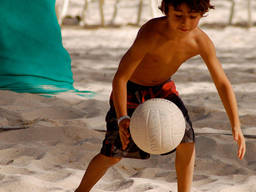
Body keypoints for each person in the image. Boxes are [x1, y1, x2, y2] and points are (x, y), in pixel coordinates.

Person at [75, 0, 246, 191]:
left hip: (162, 89)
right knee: (113, 154)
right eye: (178, 16)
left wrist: (236, 125)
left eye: (193, 17)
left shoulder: (200, 41)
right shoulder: (151, 33)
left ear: (202, 14)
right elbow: (120, 78)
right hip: (130, 89)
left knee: (187, 140)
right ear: (166, 10)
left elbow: (222, 83)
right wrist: (122, 116)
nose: (185, 23)